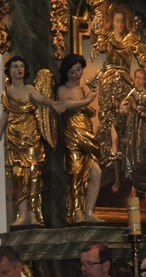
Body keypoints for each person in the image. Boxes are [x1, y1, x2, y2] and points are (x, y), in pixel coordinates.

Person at [0, 56, 65, 227]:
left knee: (33, 174)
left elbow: (42, 99)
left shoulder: (29, 88)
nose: (19, 69)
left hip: (31, 137)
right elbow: (5, 115)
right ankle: (22, 214)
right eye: (15, 66)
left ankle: (32, 215)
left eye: (22, 66)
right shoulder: (7, 92)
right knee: (18, 176)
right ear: (9, 70)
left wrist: (52, 104)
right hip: (14, 138)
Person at [90, 4, 146, 168]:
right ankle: (108, 153)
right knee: (108, 116)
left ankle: (124, 158)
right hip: (108, 82)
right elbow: (96, 43)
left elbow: (143, 59)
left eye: (123, 21)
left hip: (124, 83)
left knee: (123, 118)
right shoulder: (107, 38)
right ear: (112, 22)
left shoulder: (132, 39)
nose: (120, 24)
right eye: (117, 21)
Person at [57, 54, 104, 224]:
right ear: (66, 73)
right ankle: (77, 212)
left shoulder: (83, 89)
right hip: (72, 135)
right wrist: (86, 101)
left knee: (96, 172)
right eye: (72, 71)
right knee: (75, 174)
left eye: (79, 70)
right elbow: (65, 105)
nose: (76, 74)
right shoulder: (63, 89)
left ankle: (89, 211)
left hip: (86, 134)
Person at [111, 68, 146, 202]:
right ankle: (133, 191)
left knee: (142, 160)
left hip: (142, 133)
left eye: (141, 78)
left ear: (145, 81)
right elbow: (124, 112)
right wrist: (124, 108)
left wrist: (136, 107)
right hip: (131, 132)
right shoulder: (131, 94)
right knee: (130, 157)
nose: (138, 80)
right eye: (136, 77)